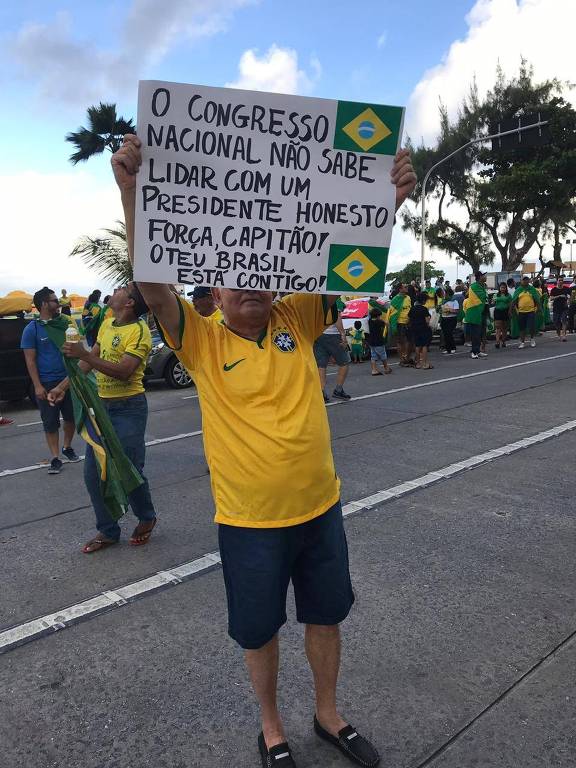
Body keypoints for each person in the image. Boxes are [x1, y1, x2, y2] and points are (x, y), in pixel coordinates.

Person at [111, 132, 416, 767]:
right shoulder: (200, 341)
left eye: (257, 271)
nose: (247, 283)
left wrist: (386, 200)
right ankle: (272, 728)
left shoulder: (299, 317)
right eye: (231, 277)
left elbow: (351, 251)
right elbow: (154, 284)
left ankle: (329, 715)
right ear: (213, 294)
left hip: (320, 509)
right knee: (259, 630)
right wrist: (131, 192)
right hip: (249, 522)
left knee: (326, 617)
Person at [51, 282, 158, 553]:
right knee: (92, 473)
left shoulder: (140, 331)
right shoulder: (109, 322)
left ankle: (147, 518)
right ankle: (108, 530)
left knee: (129, 470)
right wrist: (61, 388)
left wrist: (84, 354)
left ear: (130, 302)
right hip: (102, 408)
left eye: (124, 288)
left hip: (129, 409)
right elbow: (89, 361)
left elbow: (123, 371)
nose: (118, 289)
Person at [20, 287, 80, 474]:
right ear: (44, 304)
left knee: (71, 418)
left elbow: (77, 348)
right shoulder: (32, 329)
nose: (59, 304)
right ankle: (55, 457)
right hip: (46, 383)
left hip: (68, 380)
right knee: (50, 422)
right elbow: (30, 361)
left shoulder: (66, 323)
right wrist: (37, 386)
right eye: (55, 300)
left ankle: (67, 446)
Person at [314, 310, 352, 403]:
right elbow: (336, 316)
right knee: (344, 362)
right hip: (333, 334)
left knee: (321, 364)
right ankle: (338, 389)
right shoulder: (335, 297)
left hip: (319, 334)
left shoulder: (316, 297)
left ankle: (322, 391)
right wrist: (343, 334)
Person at [512, 276, 541, 348]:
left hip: (531, 311)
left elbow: (537, 299)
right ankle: (522, 342)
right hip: (521, 312)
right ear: (521, 281)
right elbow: (514, 301)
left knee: (531, 326)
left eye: (526, 280)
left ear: (528, 281)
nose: (525, 281)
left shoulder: (532, 289)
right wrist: (511, 310)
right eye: (523, 280)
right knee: (522, 328)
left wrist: (539, 309)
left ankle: (532, 339)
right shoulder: (518, 290)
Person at [464, 272, 488, 359]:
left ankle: (478, 350)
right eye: (483, 275)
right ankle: (474, 352)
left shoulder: (482, 285)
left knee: (480, 333)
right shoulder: (474, 286)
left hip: (480, 311)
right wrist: (486, 295)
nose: (485, 277)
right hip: (474, 312)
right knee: (475, 334)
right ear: (479, 277)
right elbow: (482, 296)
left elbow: (484, 297)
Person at [408, 292, 433, 369]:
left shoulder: (412, 308)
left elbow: (409, 318)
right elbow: (427, 321)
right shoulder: (424, 309)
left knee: (417, 345)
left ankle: (418, 363)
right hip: (423, 328)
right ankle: (425, 363)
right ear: (423, 300)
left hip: (414, 328)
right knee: (424, 345)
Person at [391, 283, 414, 366]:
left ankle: (407, 358)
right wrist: (393, 325)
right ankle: (401, 360)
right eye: (405, 287)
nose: (407, 288)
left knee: (410, 341)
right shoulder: (395, 299)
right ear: (400, 289)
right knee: (401, 342)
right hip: (400, 323)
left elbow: (410, 309)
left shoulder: (408, 298)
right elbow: (392, 313)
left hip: (409, 322)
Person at [367, 307, 391, 375]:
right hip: (379, 341)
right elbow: (386, 324)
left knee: (373, 356)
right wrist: (385, 322)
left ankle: (374, 370)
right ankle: (386, 368)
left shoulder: (370, 321)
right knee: (383, 356)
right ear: (378, 316)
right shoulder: (379, 322)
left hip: (371, 342)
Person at [549, 276, 571, 342]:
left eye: (562, 280)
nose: (561, 281)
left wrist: (568, 301)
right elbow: (551, 298)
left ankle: (564, 335)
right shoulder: (554, 290)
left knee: (564, 321)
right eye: (559, 280)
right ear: (557, 281)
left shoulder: (567, 289)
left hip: (564, 308)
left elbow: (570, 297)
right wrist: (559, 296)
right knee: (556, 323)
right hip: (556, 308)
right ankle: (559, 335)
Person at [440, 287, 459, 354]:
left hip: (451, 319)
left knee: (449, 333)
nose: (444, 295)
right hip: (444, 318)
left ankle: (453, 347)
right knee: (445, 334)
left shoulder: (454, 301)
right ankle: (447, 349)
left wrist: (449, 310)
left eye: (445, 293)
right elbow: (441, 310)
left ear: (449, 294)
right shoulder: (443, 301)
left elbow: (456, 311)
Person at [493, 283, 512, 348]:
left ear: (506, 288)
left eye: (504, 287)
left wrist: (510, 311)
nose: (502, 289)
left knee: (504, 328)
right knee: (498, 327)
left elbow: (510, 304)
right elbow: (493, 302)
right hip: (498, 311)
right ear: (499, 288)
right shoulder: (496, 295)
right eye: (501, 287)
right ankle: (497, 342)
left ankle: (503, 341)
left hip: (505, 311)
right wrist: (493, 301)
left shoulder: (508, 295)